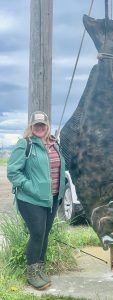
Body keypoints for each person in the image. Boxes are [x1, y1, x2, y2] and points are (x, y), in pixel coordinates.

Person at [7, 111, 65, 290]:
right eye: (36, 125)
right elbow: (13, 172)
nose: (39, 127)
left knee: (45, 233)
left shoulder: (55, 144)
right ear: (31, 126)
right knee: (37, 233)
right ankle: (32, 271)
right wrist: (31, 187)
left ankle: (40, 268)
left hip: (52, 197)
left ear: (48, 126)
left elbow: (59, 168)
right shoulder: (25, 144)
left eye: (43, 124)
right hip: (30, 199)